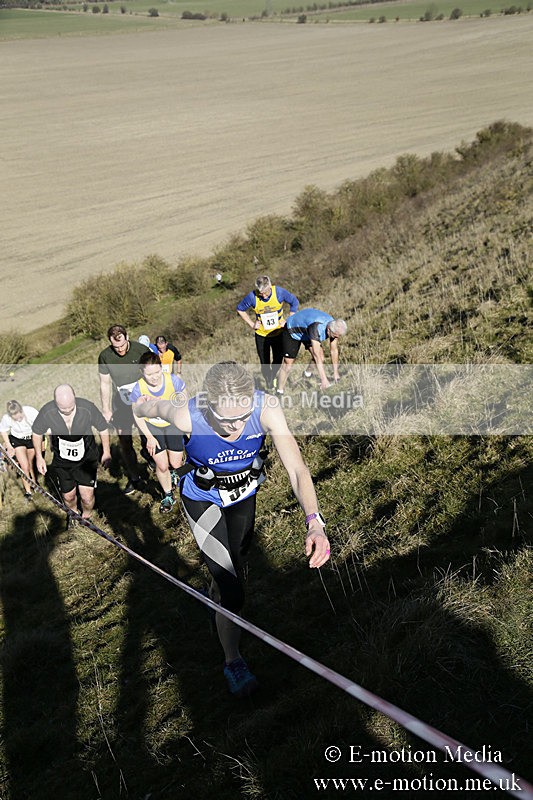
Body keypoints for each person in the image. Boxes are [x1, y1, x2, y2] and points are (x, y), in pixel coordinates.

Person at [133, 362, 330, 698]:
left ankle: (219, 594)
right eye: (225, 421)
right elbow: (150, 406)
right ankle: (232, 660)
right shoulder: (187, 414)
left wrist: (314, 522)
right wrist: (139, 409)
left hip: (243, 497)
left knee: (235, 567)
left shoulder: (266, 408)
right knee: (233, 591)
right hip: (202, 500)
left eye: (242, 418)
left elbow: (297, 469)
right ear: (208, 405)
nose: (236, 428)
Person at [32, 384, 111, 523]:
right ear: (56, 403)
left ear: (75, 398)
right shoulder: (47, 411)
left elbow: (103, 428)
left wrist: (107, 452)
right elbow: (37, 432)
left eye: (71, 407)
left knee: (87, 497)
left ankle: (87, 516)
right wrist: (39, 457)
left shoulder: (87, 408)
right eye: (63, 409)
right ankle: (73, 515)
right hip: (62, 461)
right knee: (69, 497)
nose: (68, 411)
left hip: (87, 458)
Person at [129, 352, 186, 513]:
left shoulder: (173, 380)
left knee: (175, 464)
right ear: (142, 372)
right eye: (149, 374)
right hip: (152, 426)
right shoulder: (138, 388)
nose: (154, 377)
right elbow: (137, 415)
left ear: (162, 368)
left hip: (172, 422)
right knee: (161, 465)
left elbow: (184, 403)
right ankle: (168, 495)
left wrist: (164, 404)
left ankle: (176, 475)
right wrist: (149, 437)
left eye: (156, 372)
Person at [98, 324, 150, 495]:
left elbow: (154, 373)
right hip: (120, 404)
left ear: (127, 337)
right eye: (116, 346)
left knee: (148, 435)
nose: (120, 350)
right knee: (125, 441)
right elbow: (105, 383)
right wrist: (106, 409)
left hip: (143, 399)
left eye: (122, 345)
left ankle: (154, 461)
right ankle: (134, 478)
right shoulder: (105, 356)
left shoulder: (140, 350)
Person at [236, 275, 299, 390]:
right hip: (262, 335)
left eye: (266, 292)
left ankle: (273, 376)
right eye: (261, 293)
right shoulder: (252, 297)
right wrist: (252, 324)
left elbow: (294, 302)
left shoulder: (279, 292)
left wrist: (288, 320)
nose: (264, 295)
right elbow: (240, 309)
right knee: (264, 362)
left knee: (277, 359)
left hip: (278, 333)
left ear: (270, 286)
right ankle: (269, 382)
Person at [277, 309, 348, 393]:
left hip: (306, 331)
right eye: (335, 336)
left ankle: (306, 375)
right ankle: (279, 391)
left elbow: (334, 351)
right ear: (329, 330)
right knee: (288, 364)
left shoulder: (334, 327)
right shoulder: (316, 328)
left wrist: (336, 373)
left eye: (338, 336)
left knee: (321, 357)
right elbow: (316, 355)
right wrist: (324, 380)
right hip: (292, 330)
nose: (336, 338)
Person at [0, 400, 40, 500]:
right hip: (17, 440)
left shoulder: (31, 412)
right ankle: (28, 491)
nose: (18, 417)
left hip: (31, 438)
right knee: (24, 466)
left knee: (31, 464)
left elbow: (42, 424)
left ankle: (35, 484)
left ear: (21, 410)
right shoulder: (6, 418)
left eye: (19, 414)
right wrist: (9, 446)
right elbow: (3, 431)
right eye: (14, 416)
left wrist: (42, 440)